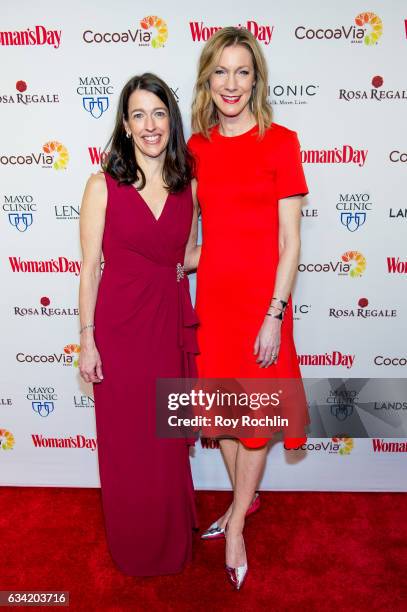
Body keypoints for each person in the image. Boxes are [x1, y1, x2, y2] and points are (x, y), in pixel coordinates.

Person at [188, 27, 310, 589]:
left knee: (256, 418)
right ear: (207, 80)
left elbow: (291, 243)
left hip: (262, 309)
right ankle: (245, 503)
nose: (231, 84)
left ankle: (236, 523)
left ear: (256, 79)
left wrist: (275, 313)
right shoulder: (196, 148)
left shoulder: (281, 142)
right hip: (213, 302)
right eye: (221, 72)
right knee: (230, 416)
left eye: (242, 71)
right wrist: (162, 263)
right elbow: (192, 239)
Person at [78, 73, 201, 576]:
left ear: (171, 120)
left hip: (167, 322)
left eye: (158, 113)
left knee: (165, 439)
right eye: (138, 115)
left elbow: (185, 254)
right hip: (119, 329)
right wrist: (86, 340)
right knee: (128, 440)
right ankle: (133, 542)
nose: (149, 125)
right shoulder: (101, 183)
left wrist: (242, 245)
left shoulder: (187, 185)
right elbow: (89, 268)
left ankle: (171, 538)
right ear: (125, 126)